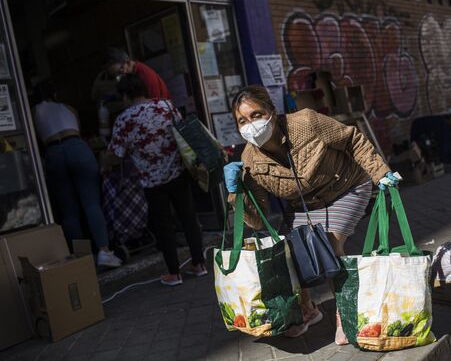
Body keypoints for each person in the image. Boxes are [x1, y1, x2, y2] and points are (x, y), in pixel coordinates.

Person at [223, 86, 399, 344]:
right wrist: (236, 193)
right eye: (243, 120)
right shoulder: (250, 158)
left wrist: (380, 173)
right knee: (287, 253)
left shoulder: (305, 122)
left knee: (327, 245)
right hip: (304, 205)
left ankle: (346, 314)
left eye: (256, 114)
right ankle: (306, 310)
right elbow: (258, 219)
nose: (252, 124)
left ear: (271, 111)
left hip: (345, 186)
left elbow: (351, 139)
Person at [107, 74, 206, 286]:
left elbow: (116, 153)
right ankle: (199, 264)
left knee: (163, 225)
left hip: (151, 180)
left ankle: (174, 273)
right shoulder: (165, 106)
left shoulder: (124, 119)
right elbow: (182, 130)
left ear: (125, 96)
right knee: (188, 218)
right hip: (178, 171)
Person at [33, 81, 122, 268]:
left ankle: (82, 258)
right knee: (91, 203)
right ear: (54, 94)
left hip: (53, 153)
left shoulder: (32, 112)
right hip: (76, 146)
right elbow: (77, 129)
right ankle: (104, 252)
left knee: (68, 211)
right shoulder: (68, 108)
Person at [104, 47, 171, 100]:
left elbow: (156, 106)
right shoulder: (130, 73)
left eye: (120, 72)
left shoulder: (146, 78)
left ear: (128, 62)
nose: (119, 76)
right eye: (116, 74)